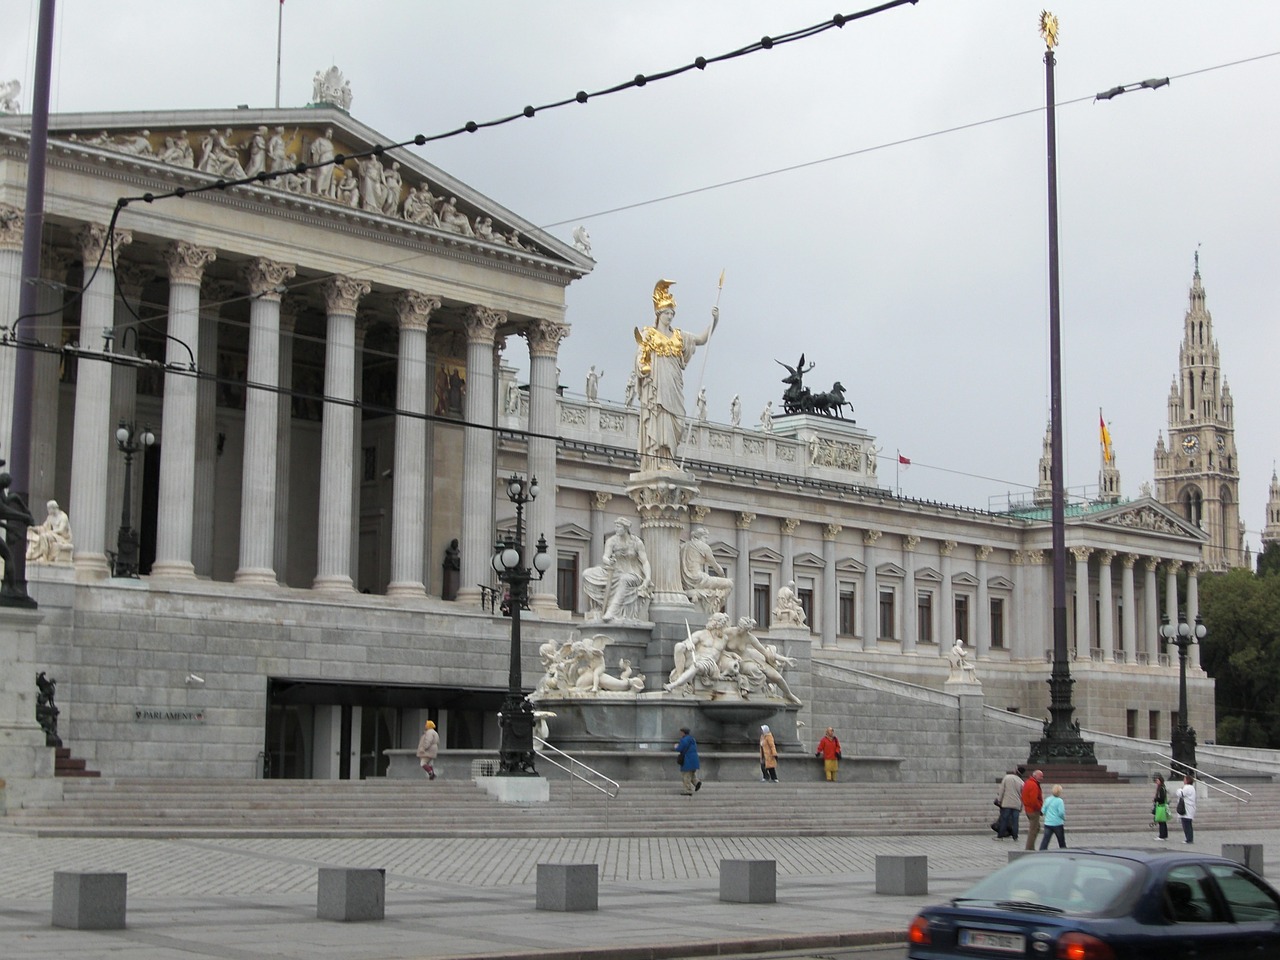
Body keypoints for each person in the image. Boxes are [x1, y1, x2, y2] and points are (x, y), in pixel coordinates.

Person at [633, 279, 717, 471]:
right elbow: (640, 358)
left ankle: (669, 459)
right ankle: (656, 461)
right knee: (659, 416)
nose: (670, 317)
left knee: (675, 419)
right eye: (667, 313)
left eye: (672, 313)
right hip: (657, 385)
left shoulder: (679, 336)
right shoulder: (649, 335)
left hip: (674, 385)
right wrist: (642, 366)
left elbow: (702, 339)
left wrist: (714, 321)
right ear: (658, 314)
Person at [581, 517, 652, 622]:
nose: (616, 529)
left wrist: (648, 578)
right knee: (587, 574)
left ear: (626, 528)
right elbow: (605, 557)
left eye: (618, 527)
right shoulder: (612, 541)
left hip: (633, 573)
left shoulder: (637, 542)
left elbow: (645, 561)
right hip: (614, 571)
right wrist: (609, 561)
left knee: (624, 579)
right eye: (616, 526)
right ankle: (599, 607)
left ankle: (611, 611)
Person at [680, 526, 732, 610]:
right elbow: (716, 566)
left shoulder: (683, 546)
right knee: (729, 583)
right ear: (699, 537)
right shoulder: (704, 546)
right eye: (706, 538)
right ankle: (713, 607)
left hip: (685, 581)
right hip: (699, 579)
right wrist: (722, 575)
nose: (707, 540)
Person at [993, 765, 1024, 840]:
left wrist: (999, 800)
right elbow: (1023, 795)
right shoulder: (1022, 782)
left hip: (1007, 803)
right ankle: (1015, 836)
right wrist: (1021, 806)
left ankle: (1000, 836)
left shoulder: (1007, 777)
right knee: (1015, 821)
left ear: (1015, 771)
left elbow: (1002, 790)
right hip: (1017, 804)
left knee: (1004, 820)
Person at [1021, 769, 1044, 850]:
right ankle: (1029, 848)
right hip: (1033, 810)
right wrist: (1039, 808)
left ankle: (1030, 847)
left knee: (1036, 827)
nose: (1042, 778)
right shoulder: (1033, 785)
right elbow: (1033, 800)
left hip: (1029, 809)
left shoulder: (1028, 783)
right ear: (1035, 776)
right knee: (1033, 829)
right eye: (1040, 776)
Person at [675, 727, 701, 795]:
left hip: (687, 759)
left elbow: (680, 749)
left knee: (686, 775)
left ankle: (688, 790)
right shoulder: (693, 739)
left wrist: (676, 747)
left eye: (680, 732)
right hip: (694, 759)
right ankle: (697, 782)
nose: (680, 733)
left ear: (683, 732)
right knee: (691, 773)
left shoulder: (684, 740)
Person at [1038, 784, 1066, 849]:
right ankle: (1064, 852)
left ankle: (1041, 852)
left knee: (1045, 840)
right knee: (1061, 840)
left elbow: (1043, 811)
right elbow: (1061, 813)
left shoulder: (1048, 799)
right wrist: (1063, 818)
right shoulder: (1060, 801)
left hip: (1048, 823)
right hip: (1058, 823)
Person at [1176, 774, 1197, 843]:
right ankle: (1189, 838)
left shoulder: (1187, 787)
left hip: (1187, 808)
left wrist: (1179, 789)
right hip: (1190, 808)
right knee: (1188, 824)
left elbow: (1181, 794)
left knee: (1186, 825)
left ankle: (1189, 839)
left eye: (1184, 779)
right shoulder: (1192, 788)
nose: (1183, 780)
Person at [1152, 774, 1170, 841]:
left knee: (1161, 821)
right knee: (1163, 822)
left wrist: (1156, 799)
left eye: (1157, 780)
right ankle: (1164, 835)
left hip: (1161, 806)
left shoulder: (1161, 788)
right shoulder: (1162, 787)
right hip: (1162, 806)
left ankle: (1162, 835)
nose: (1156, 782)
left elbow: (1162, 798)